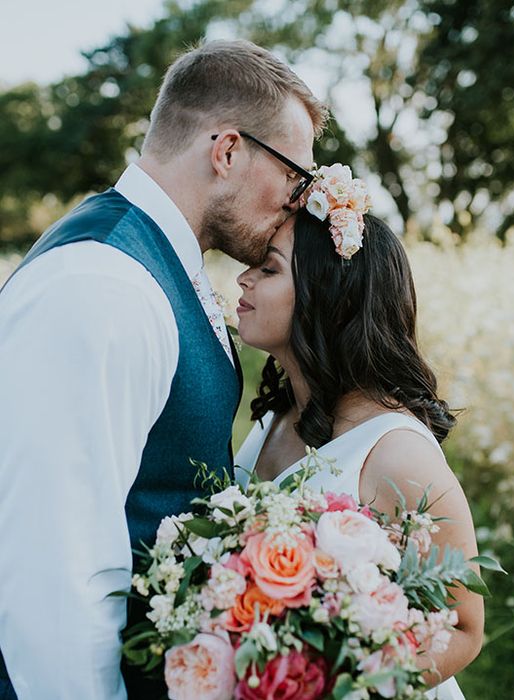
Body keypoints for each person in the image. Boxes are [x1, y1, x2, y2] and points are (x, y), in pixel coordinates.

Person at [0, 40, 327, 699]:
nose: (298, 199)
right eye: (295, 173)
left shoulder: (162, 265)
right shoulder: (100, 283)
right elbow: (51, 568)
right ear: (227, 150)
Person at [234, 175, 485, 698]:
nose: (242, 279)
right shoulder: (271, 422)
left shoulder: (397, 454)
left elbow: (463, 627)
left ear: (326, 297)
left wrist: (341, 687)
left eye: (268, 268)